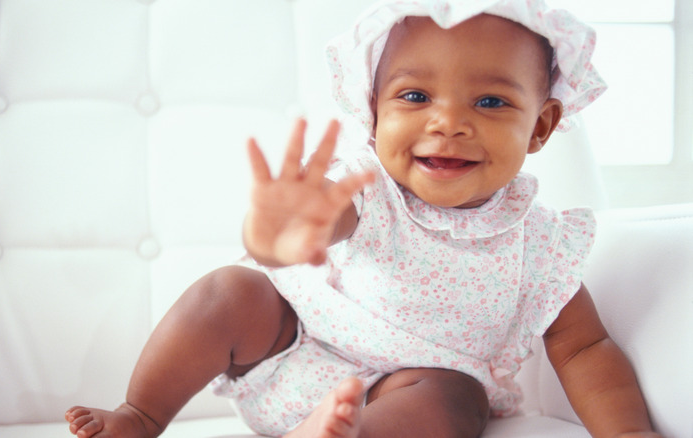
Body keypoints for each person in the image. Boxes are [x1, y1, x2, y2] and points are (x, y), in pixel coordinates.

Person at [66, 1, 661, 437]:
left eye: (490, 102)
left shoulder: (540, 245)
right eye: (415, 97)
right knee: (230, 289)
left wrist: (629, 433)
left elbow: (585, 350)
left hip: (402, 396)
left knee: (456, 400)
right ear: (373, 113)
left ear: (541, 125)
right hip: (290, 352)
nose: (448, 122)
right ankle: (140, 416)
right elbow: (320, 225)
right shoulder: (368, 188)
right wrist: (283, 233)